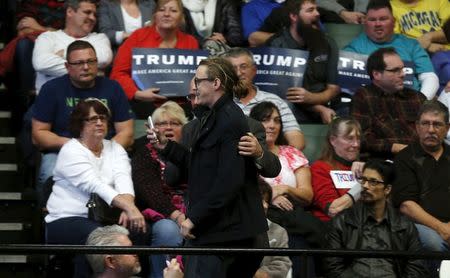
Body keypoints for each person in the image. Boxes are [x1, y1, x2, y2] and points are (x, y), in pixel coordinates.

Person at [153, 57, 268, 277]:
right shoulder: (211, 118)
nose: (194, 87)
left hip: (228, 235)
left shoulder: (229, 119)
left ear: (215, 84)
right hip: (218, 230)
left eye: (198, 81)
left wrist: (194, 218)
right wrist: (167, 147)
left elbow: (228, 180)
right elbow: (201, 166)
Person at [45, 99, 145, 277]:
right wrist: (128, 207)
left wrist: (128, 206)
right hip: (67, 219)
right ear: (80, 124)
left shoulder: (115, 148)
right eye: (92, 119)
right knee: (98, 239)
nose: (99, 122)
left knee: (141, 230)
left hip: (105, 218)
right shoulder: (71, 150)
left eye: (102, 118)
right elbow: (94, 184)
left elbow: (124, 180)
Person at [32, 40, 134, 207]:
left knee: (125, 172)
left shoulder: (113, 88)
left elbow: (127, 133)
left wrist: (103, 151)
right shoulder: (51, 89)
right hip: (62, 151)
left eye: (91, 61)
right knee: (49, 172)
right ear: (67, 66)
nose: (86, 67)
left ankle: (119, 219)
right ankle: (52, 220)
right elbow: (38, 134)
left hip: (106, 151)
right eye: (79, 63)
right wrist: (78, 149)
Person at [325, 159, 428, 277]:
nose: (365, 186)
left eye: (373, 182)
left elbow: (416, 266)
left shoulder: (404, 225)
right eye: (363, 180)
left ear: (387, 189)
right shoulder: (343, 221)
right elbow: (332, 266)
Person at [249, 101, 315, 277]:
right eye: (266, 120)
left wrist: (284, 189)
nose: (272, 125)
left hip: (291, 215)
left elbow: (307, 195)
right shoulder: (247, 154)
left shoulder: (292, 153)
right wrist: (270, 197)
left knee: (300, 245)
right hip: (262, 215)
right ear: (254, 124)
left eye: (277, 120)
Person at [110, 0, 199, 118]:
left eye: (173, 10)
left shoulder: (190, 42)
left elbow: (196, 78)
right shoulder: (137, 37)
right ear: (154, 15)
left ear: (181, 16)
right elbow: (118, 73)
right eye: (161, 10)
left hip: (182, 107)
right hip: (143, 105)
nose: (166, 14)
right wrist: (137, 93)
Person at [392, 101, 450, 272]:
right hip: (419, 225)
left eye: (437, 124)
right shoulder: (405, 158)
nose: (431, 130)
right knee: (434, 244)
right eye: (425, 123)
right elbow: (406, 206)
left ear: (447, 128)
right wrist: (442, 228)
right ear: (417, 127)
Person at [131, 101, 186, 278]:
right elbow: (150, 192)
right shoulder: (144, 154)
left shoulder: (192, 153)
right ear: (152, 128)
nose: (168, 128)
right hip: (161, 214)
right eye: (162, 124)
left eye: (175, 123)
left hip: (194, 210)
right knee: (168, 230)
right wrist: (177, 215)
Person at [344, 0, 439, 100]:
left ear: (394, 22)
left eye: (383, 19)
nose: (378, 24)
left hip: (411, 103)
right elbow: (347, 86)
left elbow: (429, 77)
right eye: (372, 20)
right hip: (371, 104)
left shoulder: (411, 45)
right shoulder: (353, 48)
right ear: (365, 23)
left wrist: (420, 102)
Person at [266, 0, 341, 124]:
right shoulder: (276, 45)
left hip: (325, 103)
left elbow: (333, 88)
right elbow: (279, 92)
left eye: (316, 9)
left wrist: (312, 98)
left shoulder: (327, 42)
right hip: (289, 108)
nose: (317, 14)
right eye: (310, 10)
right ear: (294, 16)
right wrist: (319, 109)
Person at [223, 47, 305, 150]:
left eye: (243, 67)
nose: (239, 73)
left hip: (268, 161)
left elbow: (298, 142)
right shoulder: (218, 102)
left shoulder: (274, 101)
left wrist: (273, 160)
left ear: (254, 70)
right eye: (233, 68)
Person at [351, 47, 426, 159]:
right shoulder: (363, 96)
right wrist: (395, 147)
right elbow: (361, 139)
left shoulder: (417, 97)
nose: (402, 74)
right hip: (383, 161)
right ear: (376, 74)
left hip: (421, 159)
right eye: (395, 70)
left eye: (402, 69)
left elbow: (432, 130)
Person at [32, 0, 113, 94]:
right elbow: (41, 64)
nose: (92, 18)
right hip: (52, 102)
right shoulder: (47, 37)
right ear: (70, 12)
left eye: (95, 14)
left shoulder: (100, 38)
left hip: (89, 103)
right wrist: (92, 71)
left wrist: (61, 55)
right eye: (87, 12)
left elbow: (103, 59)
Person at [310, 117, 364, 222]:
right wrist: (364, 184)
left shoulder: (365, 168)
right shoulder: (320, 168)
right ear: (333, 140)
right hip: (335, 228)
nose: (356, 144)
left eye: (358, 138)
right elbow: (333, 210)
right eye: (349, 138)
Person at [255, 178, 292, 278]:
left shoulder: (278, 231)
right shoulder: (232, 231)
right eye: (260, 200)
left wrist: (259, 274)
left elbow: (282, 264)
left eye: (267, 201)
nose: (266, 205)